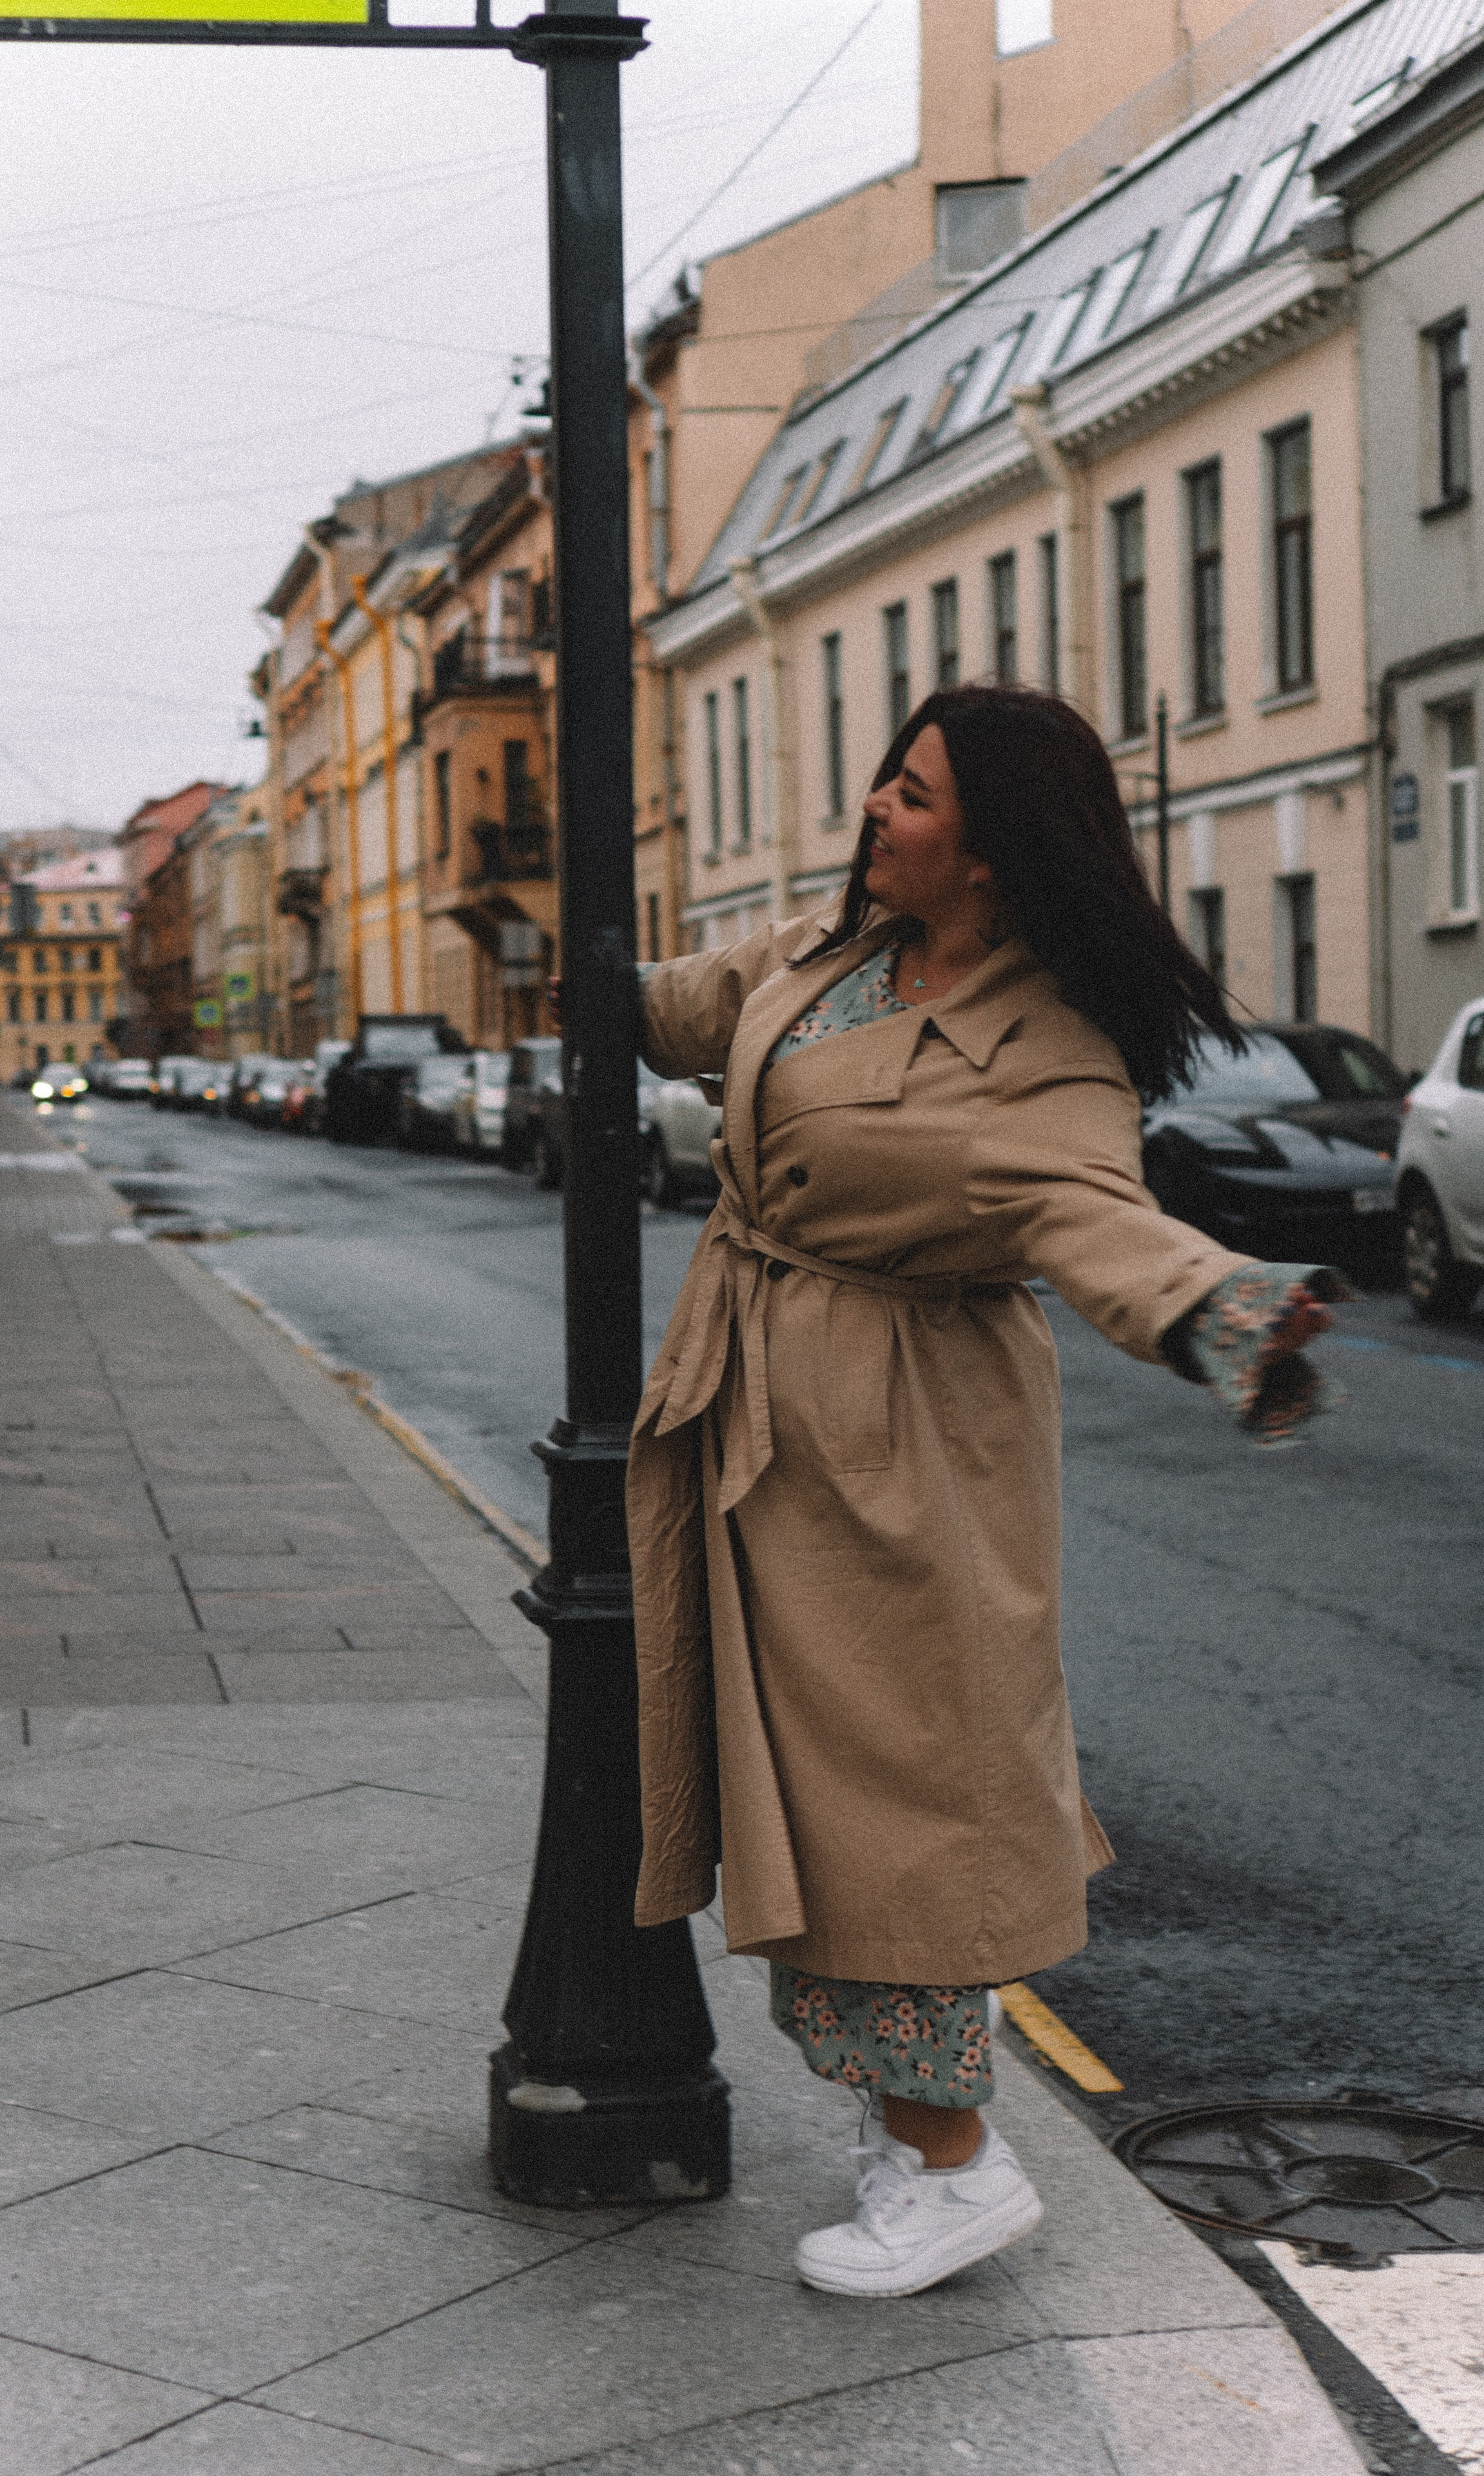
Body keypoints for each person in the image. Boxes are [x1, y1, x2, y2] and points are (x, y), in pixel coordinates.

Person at [625, 685, 1344, 2299]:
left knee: (905, 1808)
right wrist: (585, 978)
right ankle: (915, 2148)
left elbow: (1098, 1211)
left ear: (995, 857)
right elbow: (685, 1016)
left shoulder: (1044, 1045)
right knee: (809, 1802)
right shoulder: (833, 958)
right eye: (885, 773)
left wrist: (1224, 1309)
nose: (877, 804)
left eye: (917, 794)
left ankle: (953, 2168)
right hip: (766, 1404)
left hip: (901, 1453)